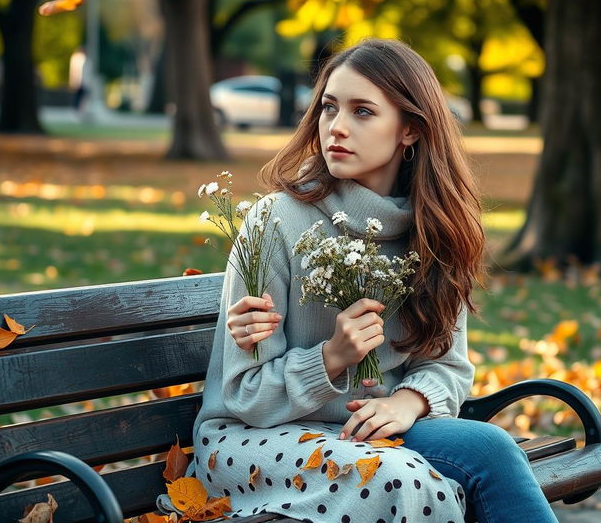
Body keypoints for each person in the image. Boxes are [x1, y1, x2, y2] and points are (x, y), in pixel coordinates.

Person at [167, 39, 558, 523]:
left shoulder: (434, 230)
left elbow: (448, 366)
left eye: (363, 111)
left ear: (410, 129)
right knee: (407, 480)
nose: (337, 127)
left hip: (368, 432)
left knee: (493, 448)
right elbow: (244, 394)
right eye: (329, 108)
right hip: (252, 439)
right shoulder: (277, 223)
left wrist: (407, 401)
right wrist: (332, 358)